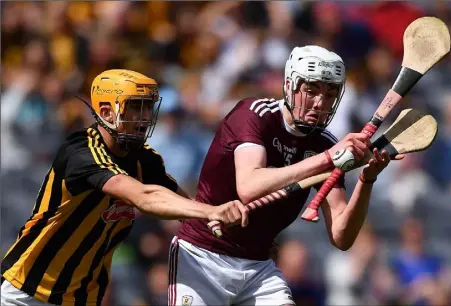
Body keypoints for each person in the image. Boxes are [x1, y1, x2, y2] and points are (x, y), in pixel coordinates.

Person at [170, 46, 397, 306]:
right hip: (203, 255)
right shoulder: (254, 115)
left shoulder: (325, 144)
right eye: (311, 91)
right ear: (289, 86)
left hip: (258, 268)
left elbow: (342, 235)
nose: (320, 103)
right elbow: (249, 186)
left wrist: (366, 180)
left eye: (330, 94)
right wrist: (325, 160)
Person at [1, 69, 248, 306]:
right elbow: (143, 196)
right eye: (134, 108)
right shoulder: (81, 151)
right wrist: (210, 212)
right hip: (26, 293)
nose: (144, 119)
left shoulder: (145, 159)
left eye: (148, 108)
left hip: (81, 298)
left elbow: (185, 207)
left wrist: (242, 241)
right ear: (107, 112)